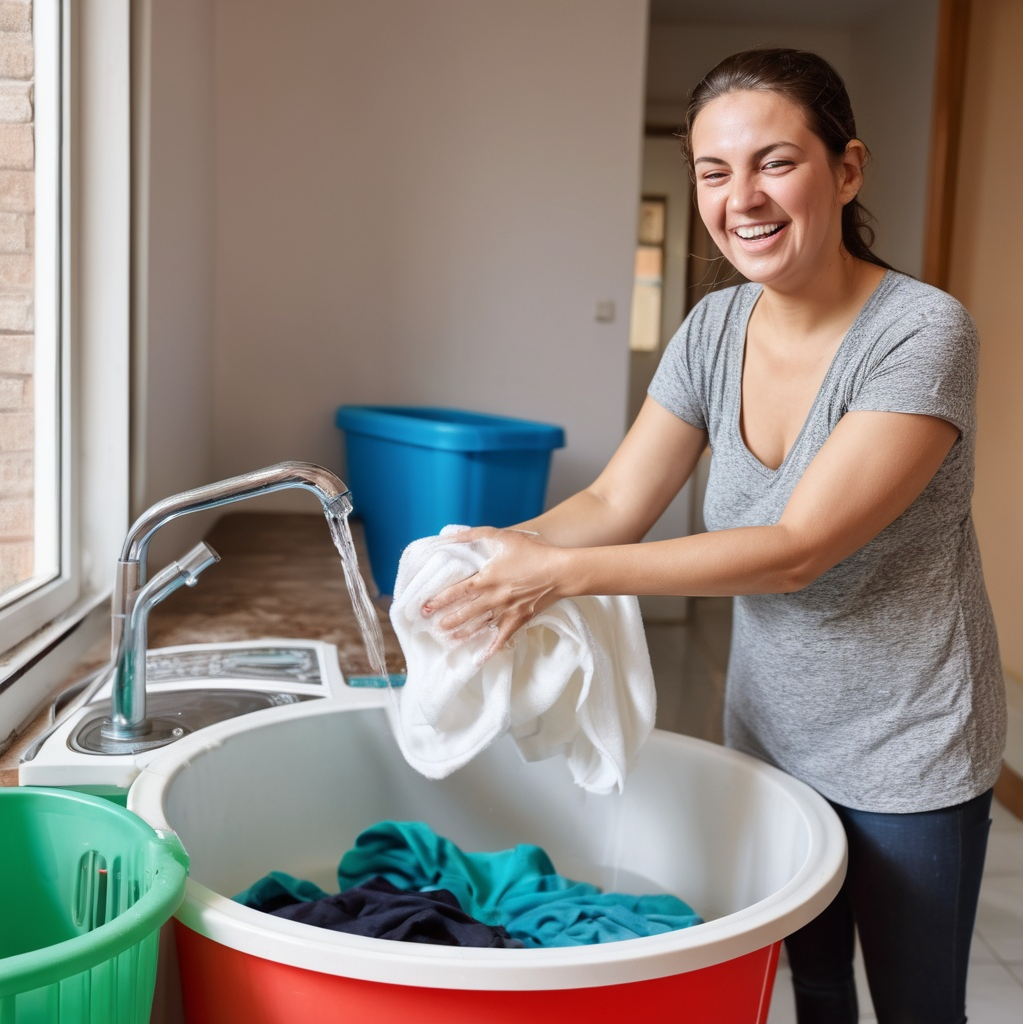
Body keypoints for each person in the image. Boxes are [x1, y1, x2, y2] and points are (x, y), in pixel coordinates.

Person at [420, 48, 1006, 1024]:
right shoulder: (711, 329)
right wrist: (491, 554)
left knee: (915, 1009)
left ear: (846, 169)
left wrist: (559, 575)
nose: (743, 199)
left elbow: (797, 548)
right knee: (813, 986)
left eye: (775, 161)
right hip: (771, 731)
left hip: (912, 741)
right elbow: (613, 502)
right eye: (714, 171)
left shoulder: (921, 334)